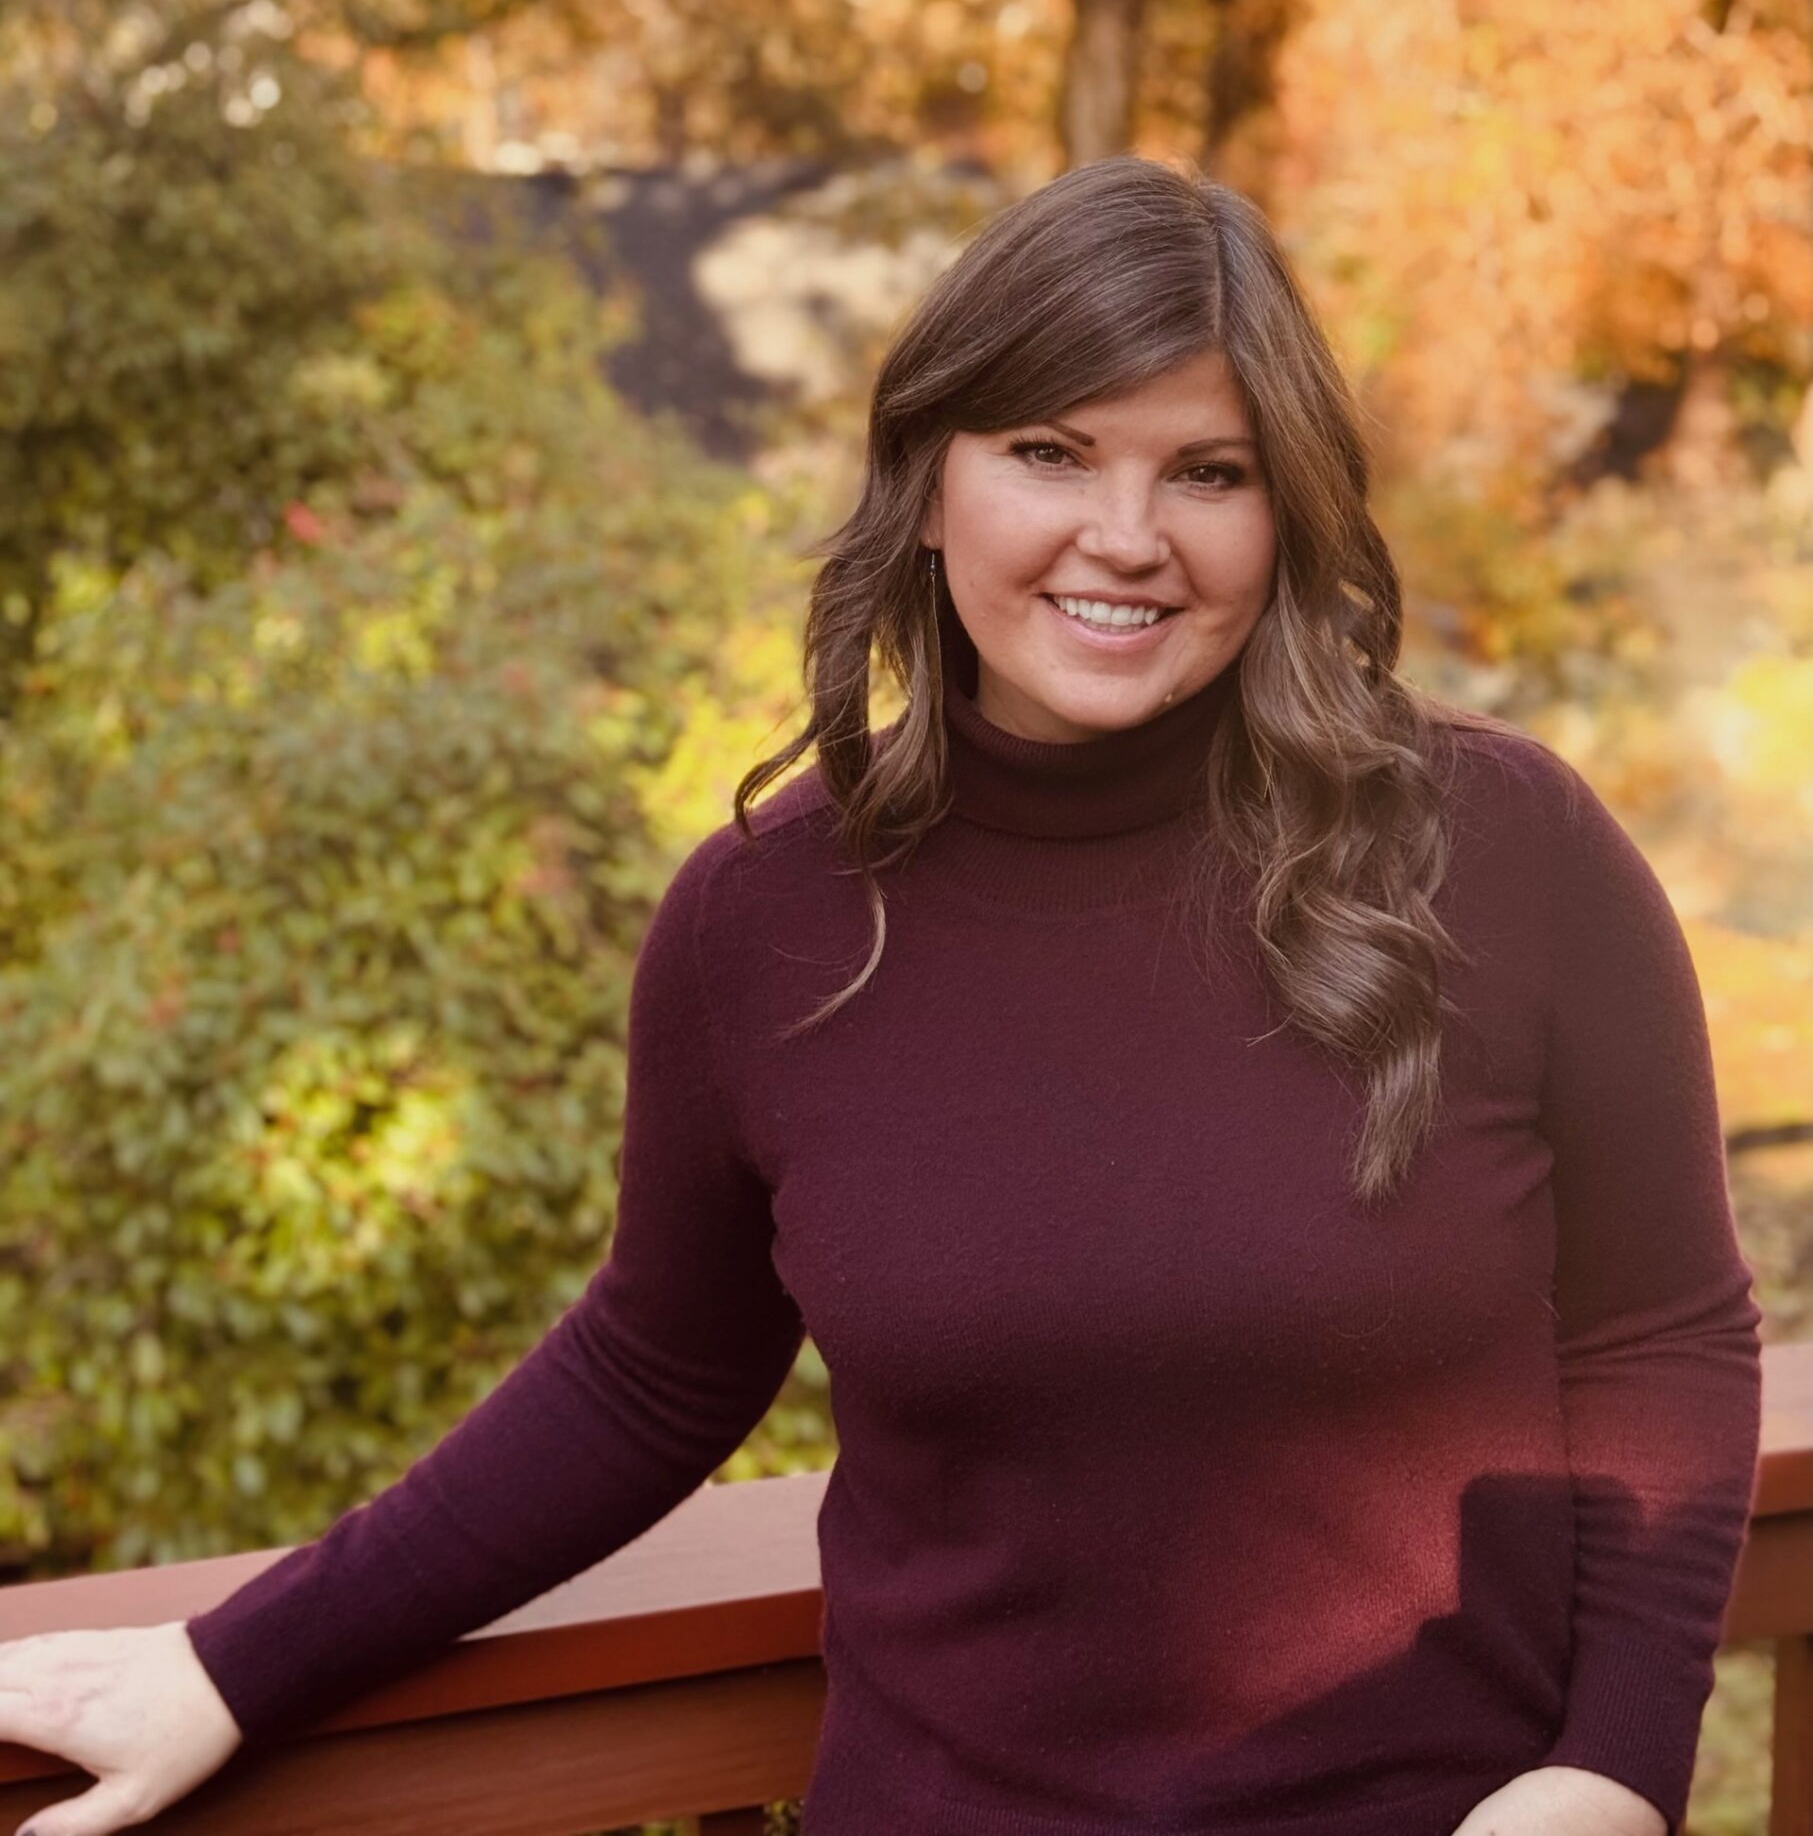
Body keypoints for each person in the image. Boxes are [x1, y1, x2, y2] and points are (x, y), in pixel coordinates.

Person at [0, 158, 1762, 1836]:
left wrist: (1612, 1768)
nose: (1125, 536)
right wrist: (230, 1669)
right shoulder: (766, 925)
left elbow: (1662, 1330)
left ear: (1284, 510)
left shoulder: (1499, 848)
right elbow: (646, 1374)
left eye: (1206, 472)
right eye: (1049, 452)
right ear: (927, 482)